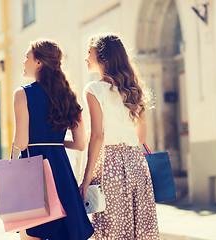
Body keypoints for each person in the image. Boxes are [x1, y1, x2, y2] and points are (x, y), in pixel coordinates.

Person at [79, 34, 160, 239]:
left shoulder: (94, 90)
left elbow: (98, 136)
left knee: (111, 230)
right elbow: (141, 137)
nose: (86, 57)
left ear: (102, 57)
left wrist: (86, 178)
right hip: (136, 164)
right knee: (137, 229)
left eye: (89, 52)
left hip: (110, 165)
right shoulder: (134, 90)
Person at [13, 39, 94, 240]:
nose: (23, 62)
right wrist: (55, 142)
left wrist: (14, 157)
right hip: (61, 171)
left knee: (32, 230)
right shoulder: (68, 95)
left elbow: (21, 143)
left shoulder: (22, 93)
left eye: (27, 57)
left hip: (33, 170)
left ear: (39, 62)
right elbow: (80, 144)